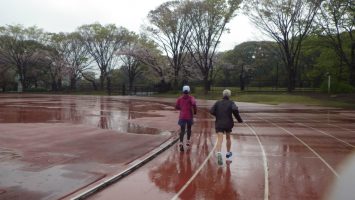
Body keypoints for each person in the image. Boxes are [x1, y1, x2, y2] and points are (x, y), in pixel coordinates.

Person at [210, 89, 243, 165]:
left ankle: (219, 154)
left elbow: (211, 111)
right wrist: (239, 120)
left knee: (220, 139)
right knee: (228, 138)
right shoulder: (231, 103)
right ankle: (228, 155)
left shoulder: (217, 102)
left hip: (219, 123)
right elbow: (235, 111)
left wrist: (217, 115)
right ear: (229, 95)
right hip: (228, 123)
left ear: (223, 95)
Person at [175, 85, 197, 151]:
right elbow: (194, 104)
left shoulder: (180, 98)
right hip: (189, 116)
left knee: (182, 130)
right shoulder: (191, 98)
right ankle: (187, 140)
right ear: (189, 91)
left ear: (183, 91)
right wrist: (195, 111)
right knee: (189, 128)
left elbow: (176, 106)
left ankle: (181, 142)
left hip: (182, 116)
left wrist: (181, 108)